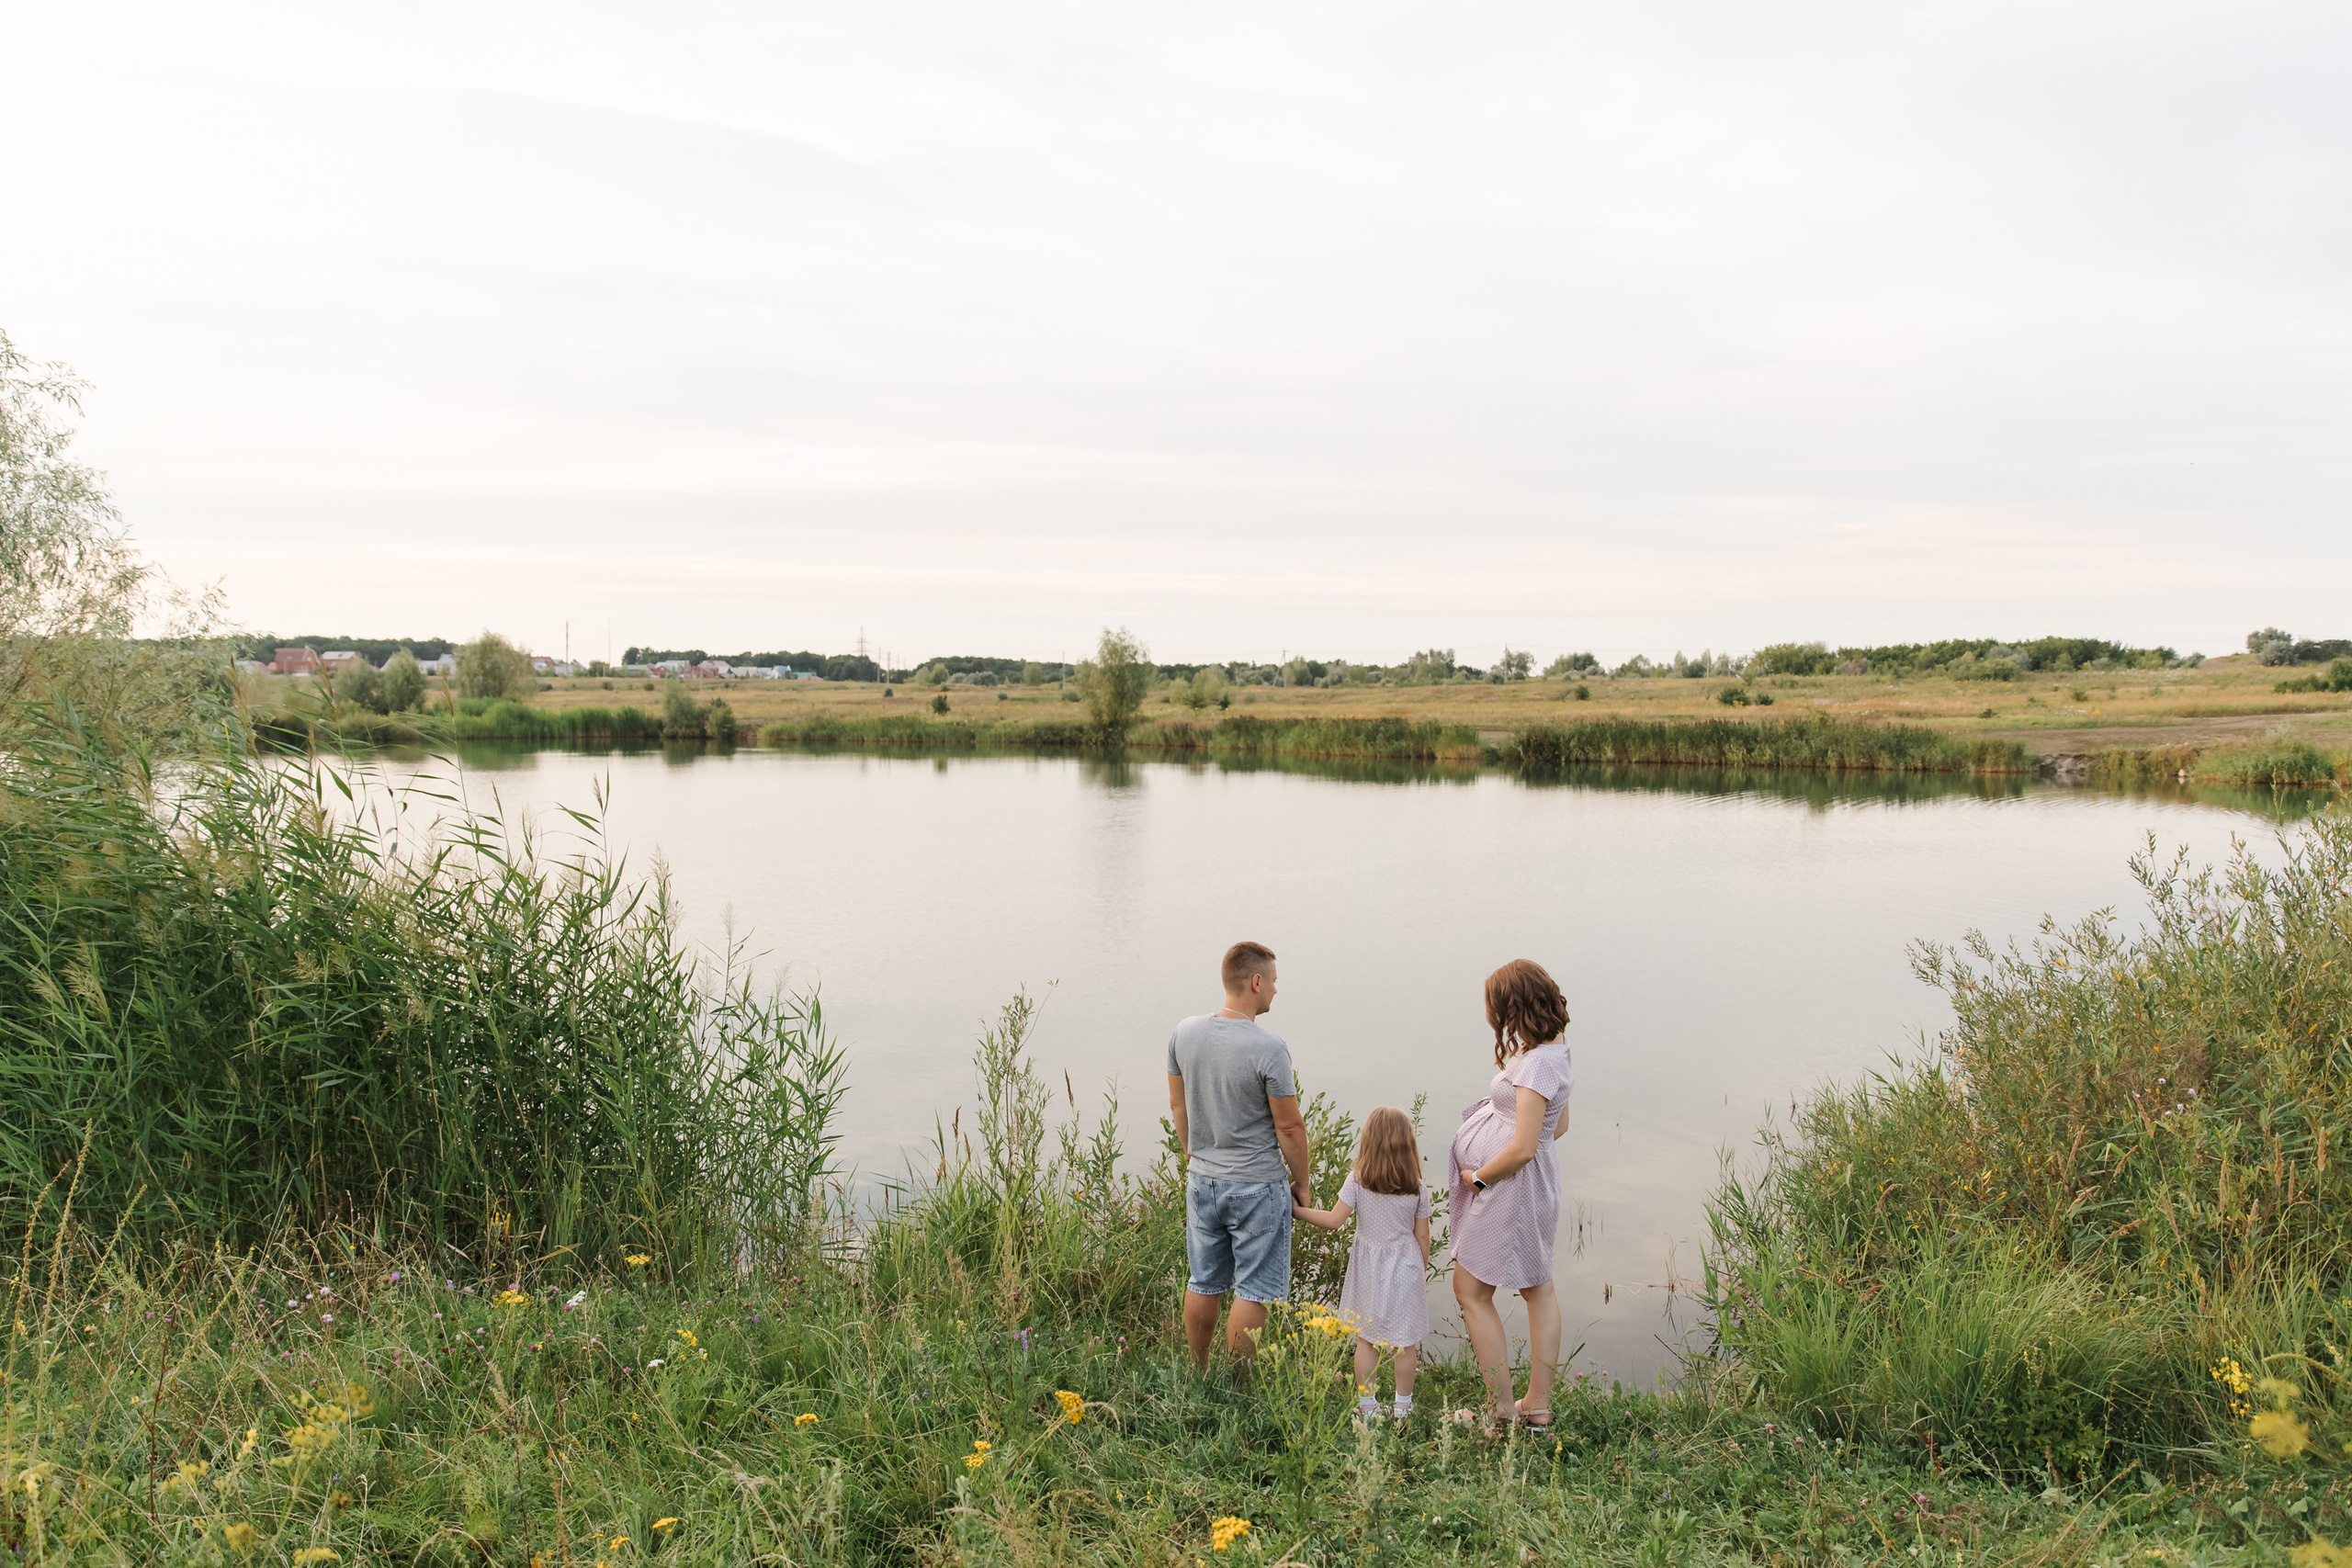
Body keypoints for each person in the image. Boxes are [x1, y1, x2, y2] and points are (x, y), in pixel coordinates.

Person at [1168, 940, 1313, 1371]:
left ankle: (1199, 1371)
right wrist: (1302, 1182)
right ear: (1255, 982)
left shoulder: (1184, 1033)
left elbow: (1179, 1107)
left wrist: (1195, 1155)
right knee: (1254, 1289)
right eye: (1272, 981)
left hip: (1202, 1178)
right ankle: (1233, 1387)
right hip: (1255, 1185)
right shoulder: (1269, 1048)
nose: (1274, 990)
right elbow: (1289, 1127)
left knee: (1204, 1280)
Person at [1447, 959, 1574, 1429]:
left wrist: (1482, 1177)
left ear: (1512, 1004)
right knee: (1537, 1288)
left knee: (1470, 1290)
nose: (1490, 1014)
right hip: (1528, 1183)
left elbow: (1523, 1146)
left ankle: (1501, 1413)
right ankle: (1535, 1407)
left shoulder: (1538, 1061)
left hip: (1511, 1188)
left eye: (1494, 1004)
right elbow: (1557, 1126)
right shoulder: (1553, 1047)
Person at [1293, 1105, 1432, 1421]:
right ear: (1408, 1145)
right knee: (1404, 1344)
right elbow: (1423, 1237)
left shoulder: (1357, 1181)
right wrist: (1419, 1273)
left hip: (1368, 1270)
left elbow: (1333, 1221)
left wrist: (1296, 1211)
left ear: (1367, 1142)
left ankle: (1368, 1408)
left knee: (1366, 1340)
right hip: (1406, 1268)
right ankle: (1403, 1407)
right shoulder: (1418, 1188)